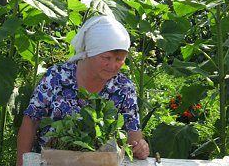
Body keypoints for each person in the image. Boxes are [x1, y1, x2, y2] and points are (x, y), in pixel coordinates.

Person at [16, 15, 150, 166]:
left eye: (119, 59)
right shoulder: (56, 77)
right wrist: (21, 163)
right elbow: (31, 121)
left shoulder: (123, 87)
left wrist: (139, 145)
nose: (113, 65)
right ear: (90, 52)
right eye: (106, 57)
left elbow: (132, 130)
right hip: (51, 161)